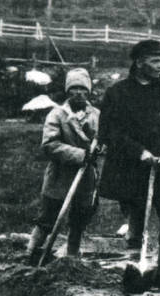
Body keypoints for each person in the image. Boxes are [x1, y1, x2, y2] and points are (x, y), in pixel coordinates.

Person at [98, 39, 160, 289]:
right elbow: (111, 132)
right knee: (136, 224)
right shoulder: (117, 93)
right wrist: (139, 152)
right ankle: (134, 274)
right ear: (139, 63)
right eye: (155, 61)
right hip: (131, 170)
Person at [26, 68, 101, 264]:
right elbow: (49, 145)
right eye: (74, 88)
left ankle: (71, 257)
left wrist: (99, 149)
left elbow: (105, 141)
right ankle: (32, 254)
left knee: (79, 219)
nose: (78, 93)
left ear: (88, 92)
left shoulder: (97, 116)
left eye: (83, 89)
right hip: (60, 176)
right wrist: (80, 155)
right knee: (47, 218)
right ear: (67, 91)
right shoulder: (57, 115)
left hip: (85, 178)